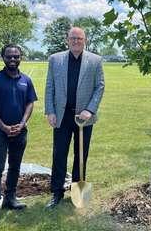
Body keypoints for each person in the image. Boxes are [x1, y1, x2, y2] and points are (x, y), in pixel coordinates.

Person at [44, 27, 105, 208]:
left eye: (79, 38)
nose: (76, 41)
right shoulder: (55, 60)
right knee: (59, 154)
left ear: (85, 40)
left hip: (83, 118)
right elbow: (50, 87)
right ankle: (56, 193)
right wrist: (50, 111)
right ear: (67, 40)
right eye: (73, 38)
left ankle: (78, 194)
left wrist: (90, 110)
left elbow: (100, 87)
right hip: (62, 116)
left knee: (81, 155)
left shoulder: (95, 60)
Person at [0, 44, 37, 225]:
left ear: (21, 57)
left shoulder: (26, 80)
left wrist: (22, 124)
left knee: (15, 166)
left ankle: (10, 199)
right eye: (9, 56)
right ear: (3, 57)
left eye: (16, 56)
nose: (13, 59)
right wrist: (3, 126)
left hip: (20, 132)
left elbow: (30, 103)